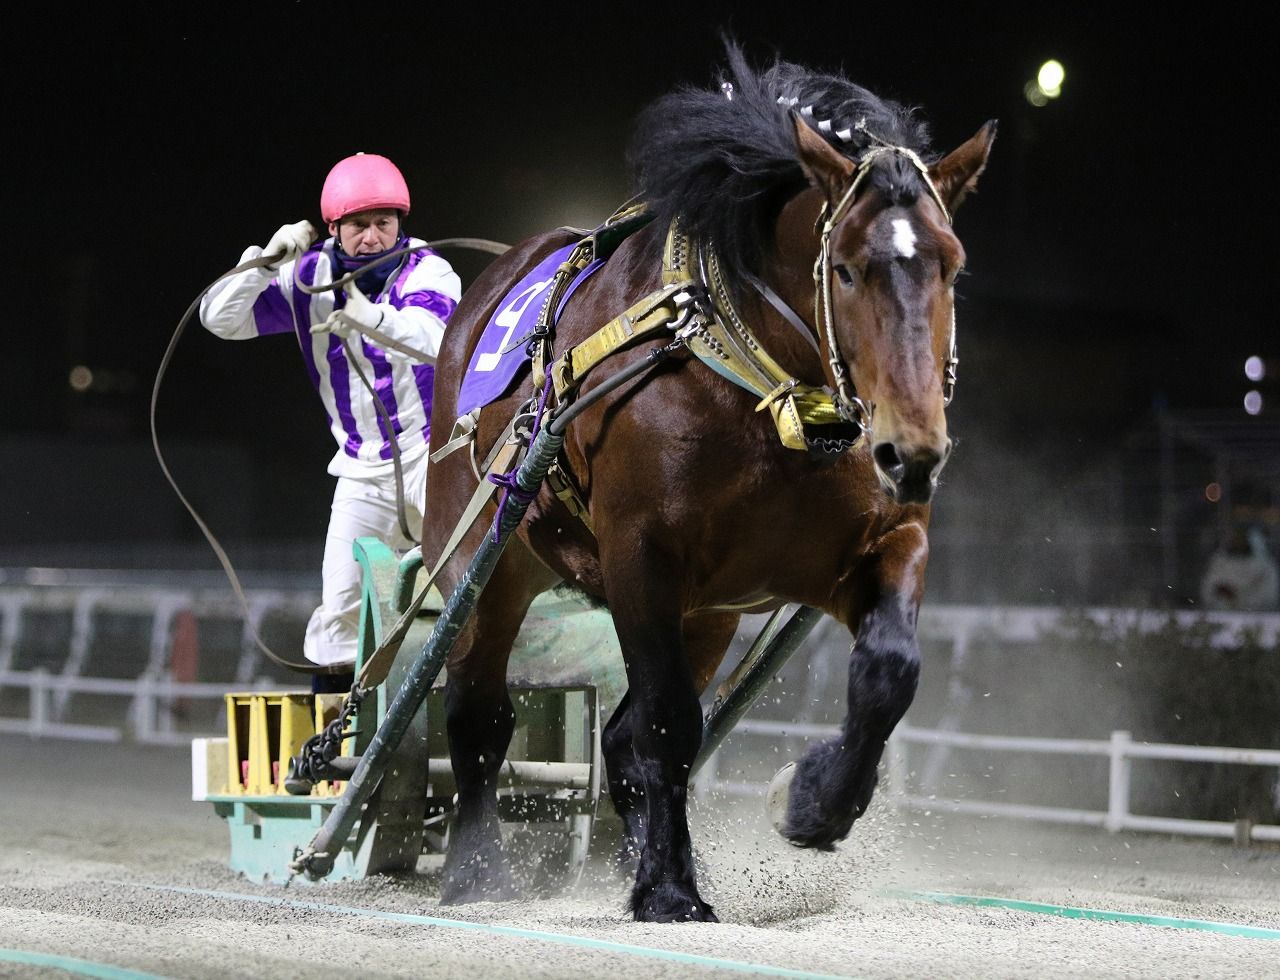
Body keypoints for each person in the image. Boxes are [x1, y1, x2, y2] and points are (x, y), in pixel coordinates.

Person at [200, 152, 460, 688]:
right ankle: (338, 747)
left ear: (399, 224)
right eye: (358, 226)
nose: (372, 238)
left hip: (435, 459)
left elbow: (437, 339)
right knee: (339, 608)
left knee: (469, 587)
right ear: (335, 228)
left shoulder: (428, 268)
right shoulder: (308, 277)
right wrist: (264, 262)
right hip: (360, 471)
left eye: (383, 224)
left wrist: (376, 319)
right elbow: (219, 318)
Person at [1199, 522, 1280, 612]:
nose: (1237, 542)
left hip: (1255, 615)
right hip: (1221, 613)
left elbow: (1269, 594)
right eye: (1235, 539)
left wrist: (1240, 598)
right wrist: (1223, 594)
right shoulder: (1219, 561)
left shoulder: (1264, 566)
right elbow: (1209, 586)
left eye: (1241, 539)